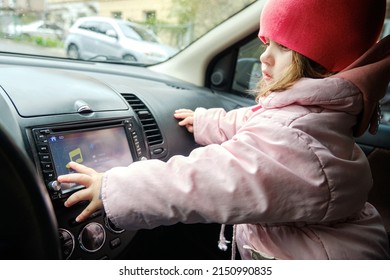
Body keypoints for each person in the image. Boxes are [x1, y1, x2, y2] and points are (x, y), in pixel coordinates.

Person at [58, 0, 390, 259]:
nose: (265, 58)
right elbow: (257, 123)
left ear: (322, 64)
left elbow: (200, 182)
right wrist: (206, 122)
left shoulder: (296, 140)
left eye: (284, 47)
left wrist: (114, 187)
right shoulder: (312, 119)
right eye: (267, 42)